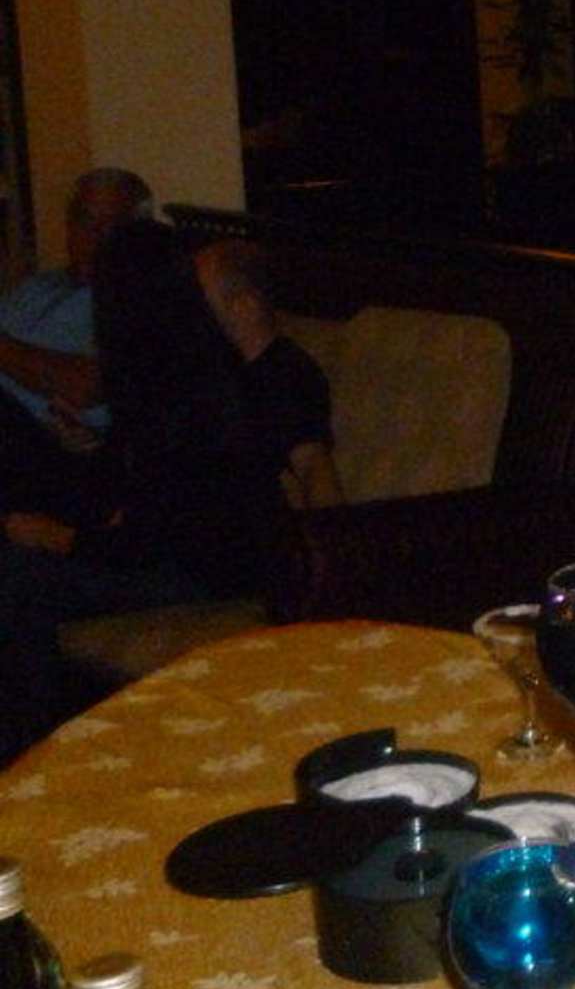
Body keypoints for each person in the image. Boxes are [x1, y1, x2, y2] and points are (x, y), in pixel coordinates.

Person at [0, 221, 297, 761]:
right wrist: (94, 449)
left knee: (24, 576)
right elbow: (142, 491)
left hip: (204, 571)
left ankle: (28, 750)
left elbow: (160, 535)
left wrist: (59, 539)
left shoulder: (188, 388)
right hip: (169, 550)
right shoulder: (167, 370)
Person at [0, 168, 152, 522]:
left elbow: (86, 386)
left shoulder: (135, 302)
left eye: (110, 225)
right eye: (84, 220)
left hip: (54, 451)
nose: (92, 236)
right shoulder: (36, 288)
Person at [194, 238, 343, 511]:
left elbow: (312, 464)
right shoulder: (214, 365)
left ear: (244, 306)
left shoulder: (287, 372)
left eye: (201, 298)